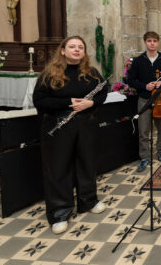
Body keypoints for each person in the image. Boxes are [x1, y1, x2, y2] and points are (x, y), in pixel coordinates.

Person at [32, 36, 108, 235]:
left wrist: (90, 103)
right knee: (58, 167)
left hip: (86, 125)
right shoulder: (50, 73)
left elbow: (103, 92)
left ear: (84, 52)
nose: (77, 50)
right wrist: (68, 103)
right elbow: (39, 100)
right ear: (63, 50)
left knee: (87, 163)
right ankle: (59, 212)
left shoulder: (91, 72)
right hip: (58, 124)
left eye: (80, 47)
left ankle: (88, 200)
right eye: (72, 46)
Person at [127, 31, 161, 172]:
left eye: (154, 41)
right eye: (149, 41)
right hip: (144, 99)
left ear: (158, 42)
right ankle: (145, 157)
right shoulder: (138, 61)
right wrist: (145, 86)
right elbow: (130, 80)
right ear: (145, 42)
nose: (152, 43)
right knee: (143, 130)